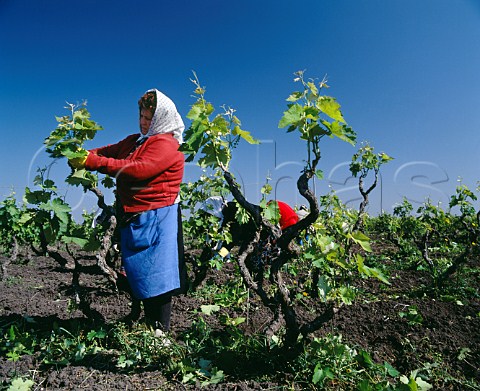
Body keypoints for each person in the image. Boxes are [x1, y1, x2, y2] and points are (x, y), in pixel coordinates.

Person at [69, 89, 186, 332]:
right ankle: (148, 325)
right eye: (141, 117)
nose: (143, 123)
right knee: (139, 272)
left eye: (149, 118)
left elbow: (138, 169)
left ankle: (160, 333)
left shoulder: (167, 144)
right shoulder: (135, 141)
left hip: (158, 216)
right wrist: (84, 154)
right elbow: (109, 151)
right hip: (135, 216)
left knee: (159, 277)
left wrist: (93, 163)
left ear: (162, 119)